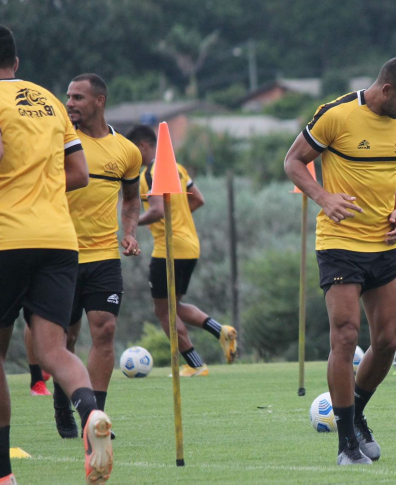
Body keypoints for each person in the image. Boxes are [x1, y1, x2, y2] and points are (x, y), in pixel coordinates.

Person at [284, 53, 396, 465]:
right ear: (387, 90)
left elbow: (389, 174)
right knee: (345, 337)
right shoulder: (335, 115)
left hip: (384, 245)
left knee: (388, 340)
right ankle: (347, 442)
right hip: (340, 244)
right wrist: (323, 197)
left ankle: (357, 413)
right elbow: (292, 161)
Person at [0, 25, 112, 484]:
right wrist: (37, 190)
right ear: (17, 62)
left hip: (6, 236)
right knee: (53, 349)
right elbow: (79, 172)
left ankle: (3, 475)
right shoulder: (48, 100)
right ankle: (89, 414)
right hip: (59, 239)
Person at [25, 73, 142, 441]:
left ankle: (97, 418)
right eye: (68, 97)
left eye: (77, 97)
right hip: (61, 254)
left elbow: (132, 199)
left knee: (105, 329)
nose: (70, 103)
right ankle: (64, 403)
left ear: (99, 101)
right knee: (66, 340)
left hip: (105, 255)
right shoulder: (59, 142)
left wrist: (129, 233)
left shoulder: (127, 151)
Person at [127, 125, 238, 376]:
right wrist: (179, 217)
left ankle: (196, 364)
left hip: (168, 249)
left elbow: (155, 210)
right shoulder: (177, 168)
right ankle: (220, 331)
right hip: (189, 245)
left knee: (163, 311)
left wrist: (130, 225)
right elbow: (198, 198)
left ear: (143, 146)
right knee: (173, 306)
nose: (132, 157)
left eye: (133, 150)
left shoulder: (149, 173)